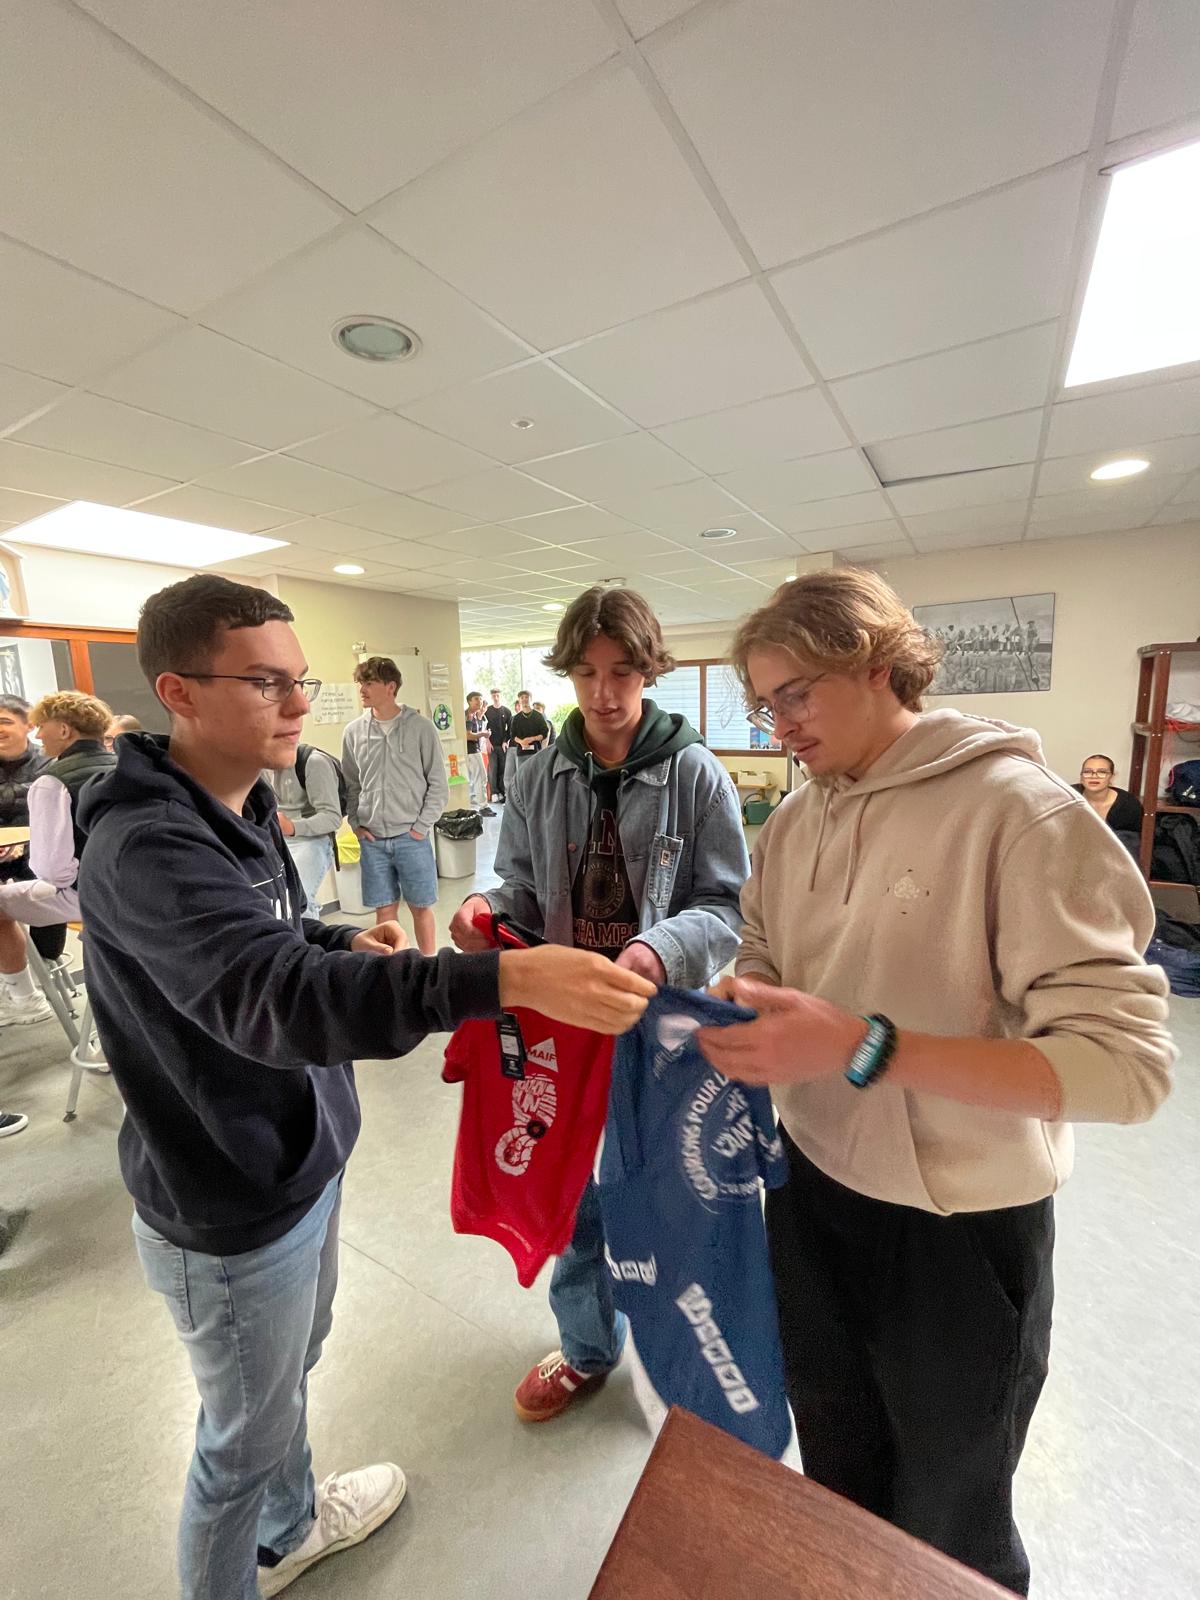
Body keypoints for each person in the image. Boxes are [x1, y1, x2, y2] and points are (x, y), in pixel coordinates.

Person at [76, 574, 654, 1600]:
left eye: (301, 679)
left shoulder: (241, 802)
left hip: (295, 1159)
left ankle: (292, 1524)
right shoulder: (148, 844)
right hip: (228, 1196)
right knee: (238, 1444)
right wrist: (506, 978)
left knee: (287, 1379)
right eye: (267, 683)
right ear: (179, 692)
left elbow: (272, 937)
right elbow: (276, 998)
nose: (300, 704)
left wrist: (338, 939)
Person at [694, 568, 1174, 1595]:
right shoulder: (795, 821)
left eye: (796, 693)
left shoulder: (1020, 814)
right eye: (765, 702)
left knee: (955, 1517)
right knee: (840, 1469)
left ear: (878, 666)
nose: (779, 724)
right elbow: (766, 945)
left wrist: (864, 1047)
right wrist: (748, 992)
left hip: (960, 1232)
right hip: (809, 1194)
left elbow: (1128, 1069)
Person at [450, 584, 749, 1424]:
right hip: (564, 1026)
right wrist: (484, 912)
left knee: (663, 1199)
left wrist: (660, 949)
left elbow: (728, 904)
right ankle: (587, 1347)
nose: (604, 693)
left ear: (648, 671)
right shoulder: (540, 773)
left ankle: (682, 1357)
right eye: (586, 673)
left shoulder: (693, 773)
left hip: (658, 1030)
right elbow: (517, 886)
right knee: (574, 1196)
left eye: (622, 672)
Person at [0, 690, 115, 1028]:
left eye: (41, 727)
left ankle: (26, 998)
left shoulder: (52, 781)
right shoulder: (124, 765)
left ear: (64, 730)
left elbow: (53, 872)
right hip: (134, 891)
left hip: (90, 895)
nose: (38, 735)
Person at [342, 657, 446, 957]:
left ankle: (429, 967)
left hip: (411, 838)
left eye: (369, 682)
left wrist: (420, 828)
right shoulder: (353, 732)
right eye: (360, 683)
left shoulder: (421, 728)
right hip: (372, 840)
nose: (362, 689)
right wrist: (356, 824)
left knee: (421, 907)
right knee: (384, 912)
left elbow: (438, 785)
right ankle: (393, 971)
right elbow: (351, 785)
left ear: (391, 687)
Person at [264, 744, 343, 918]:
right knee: (275, 903)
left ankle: (307, 934)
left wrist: (292, 827)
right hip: (277, 838)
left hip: (312, 839)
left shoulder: (314, 762)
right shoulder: (259, 765)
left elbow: (332, 817)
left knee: (299, 902)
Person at [1073, 754, 1144, 837]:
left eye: (1102, 772)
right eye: (1087, 772)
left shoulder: (1128, 805)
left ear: (1111, 777)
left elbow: (1133, 840)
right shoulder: (1068, 796)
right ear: (1081, 776)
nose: (1094, 776)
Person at [504, 690, 551, 794]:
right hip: (521, 752)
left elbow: (544, 733)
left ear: (530, 699)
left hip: (535, 752)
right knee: (522, 777)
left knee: (535, 776)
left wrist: (532, 739)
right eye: (522, 698)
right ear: (519, 700)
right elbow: (513, 735)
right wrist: (521, 742)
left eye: (526, 697)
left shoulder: (538, 716)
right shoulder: (516, 718)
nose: (524, 700)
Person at [464, 691, 494, 815]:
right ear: (469, 701)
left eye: (481, 699)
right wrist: (483, 734)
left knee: (478, 778)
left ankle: (480, 805)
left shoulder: (475, 715)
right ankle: (483, 807)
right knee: (480, 778)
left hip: (473, 750)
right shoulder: (469, 715)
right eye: (476, 699)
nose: (479, 702)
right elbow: (468, 735)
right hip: (471, 751)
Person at [484, 689, 512, 803]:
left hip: (502, 745)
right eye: (493, 696)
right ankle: (494, 792)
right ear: (491, 697)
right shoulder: (487, 711)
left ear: (500, 696)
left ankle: (502, 791)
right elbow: (484, 727)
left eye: (497, 695)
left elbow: (509, 729)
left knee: (503, 769)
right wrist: (487, 741)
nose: (495, 697)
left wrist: (505, 741)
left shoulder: (507, 711)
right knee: (493, 769)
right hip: (491, 745)